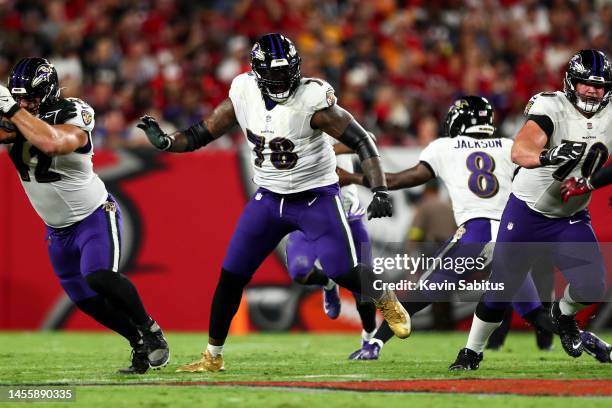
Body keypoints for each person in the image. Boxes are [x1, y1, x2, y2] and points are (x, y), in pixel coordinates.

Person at [137, 33, 410, 372]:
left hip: (315, 197)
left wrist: (380, 188)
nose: (280, 80)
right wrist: (166, 141)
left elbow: (363, 140)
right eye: (273, 73)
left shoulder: (313, 98)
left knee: (343, 271)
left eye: (285, 72)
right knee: (231, 276)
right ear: (256, 72)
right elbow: (200, 133)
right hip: (268, 199)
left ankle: (383, 295)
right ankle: (213, 356)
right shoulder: (244, 90)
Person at [345, 96, 557, 361]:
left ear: (459, 121)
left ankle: (374, 344)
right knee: (535, 313)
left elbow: (401, 179)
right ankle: (585, 340)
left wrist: (354, 179)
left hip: (474, 234)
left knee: (418, 296)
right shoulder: (507, 146)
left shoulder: (445, 147)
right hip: (508, 236)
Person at [0, 57, 168, 374]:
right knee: (84, 298)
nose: (24, 103)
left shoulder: (72, 110)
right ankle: (137, 341)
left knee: (99, 276)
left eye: (30, 97)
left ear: (48, 91)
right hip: (57, 231)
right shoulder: (18, 115)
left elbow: (53, 142)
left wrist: (12, 110)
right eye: (18, 97)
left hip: (93, 215)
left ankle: (150, 330)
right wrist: (13, 114)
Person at [449, 49, 612, 370]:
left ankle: (562, 315)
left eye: (600, 85)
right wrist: (548, 156)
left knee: (593, 286)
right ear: (570, 82)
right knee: (503, 287)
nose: (592, 91)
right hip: (528, 212)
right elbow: (520, 149)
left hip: (571, 215)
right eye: (584, 83)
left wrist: (591, 185)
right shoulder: (551, 105)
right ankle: (471, 351)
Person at [285, 140, 378, 356]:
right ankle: (327, 283)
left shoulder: (336, 120)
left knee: (364, 287)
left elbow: (368, 139)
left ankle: (369, 341)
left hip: (349, 218)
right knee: (299, 270)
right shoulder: (295, 125)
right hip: (309, 216)